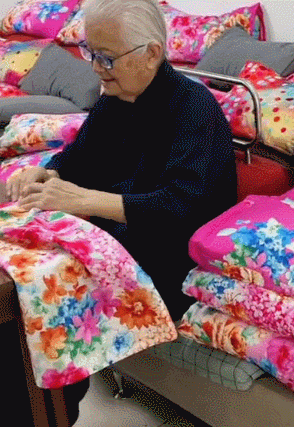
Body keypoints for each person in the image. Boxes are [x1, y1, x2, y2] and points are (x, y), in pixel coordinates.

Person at [6, 0, 237, 424]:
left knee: (47, 295)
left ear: (151, 54)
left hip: (168, 259)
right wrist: (45, 173)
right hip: (116, 238)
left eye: (107, 57)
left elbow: (181, 208)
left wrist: (83, 201)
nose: (96, 67)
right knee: (22, 277)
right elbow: (79, 157)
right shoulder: (116, 99)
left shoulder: (193, 109)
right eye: (91, 53)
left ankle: (46, 412)